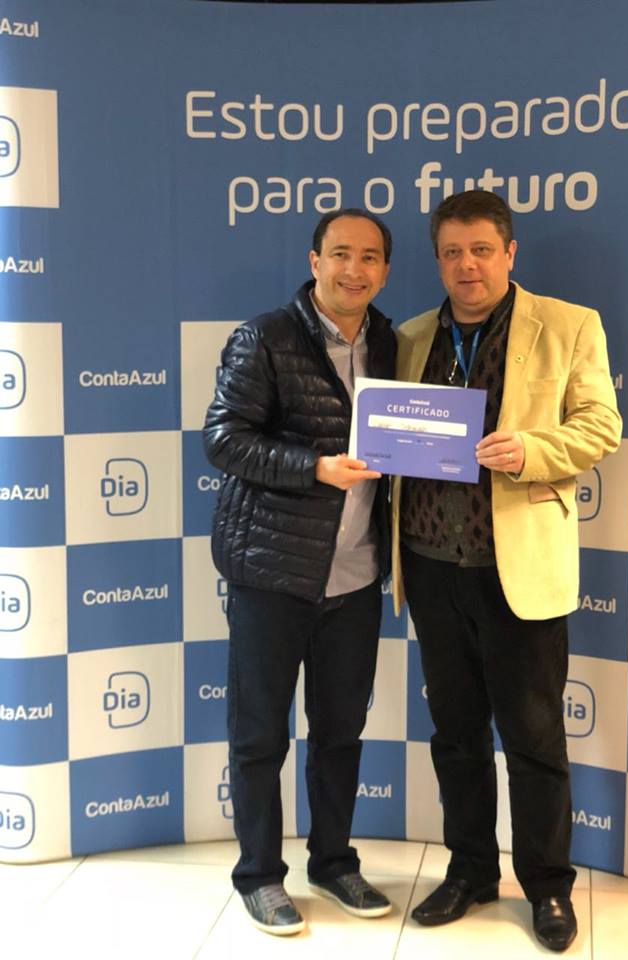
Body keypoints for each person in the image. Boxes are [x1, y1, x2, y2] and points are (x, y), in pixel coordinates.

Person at [391, 190, 621, 951]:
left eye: (482, 250)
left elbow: (601, 426)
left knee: (534, 738)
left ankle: (548, 887)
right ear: (438, 261)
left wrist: (531, 451)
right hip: (431, 567)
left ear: (510, 252)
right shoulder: (412, 336)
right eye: (453, 252)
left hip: (514, 570)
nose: (468, 265)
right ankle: (469, 871)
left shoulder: (568, 325)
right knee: (456, 736)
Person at [204, 209, 396, 936]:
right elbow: (223, 438)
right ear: (315, 262)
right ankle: (259, 875)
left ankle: (333, 862)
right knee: (260, 735)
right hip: (273, 572)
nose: (354, 269)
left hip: (357, 576)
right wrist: (313, 467)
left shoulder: (394, 343)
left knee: (341, 731)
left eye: (370, 257)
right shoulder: (265, 336)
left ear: (385, 271)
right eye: (340, 254)